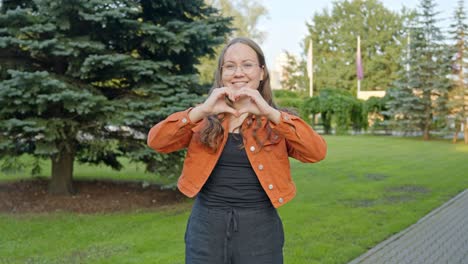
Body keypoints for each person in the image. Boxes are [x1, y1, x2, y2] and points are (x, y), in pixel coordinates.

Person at [147, 37, 327, 264]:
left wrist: (271, 114)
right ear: (222, 75)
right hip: (206, 227)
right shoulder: (203, 119)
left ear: (262, 72)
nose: (238, 72)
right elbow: (157, 141)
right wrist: (201, 110)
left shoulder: (277, 121)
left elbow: (316, 152)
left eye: (247, 65)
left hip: (260, 228)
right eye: (230, 66)